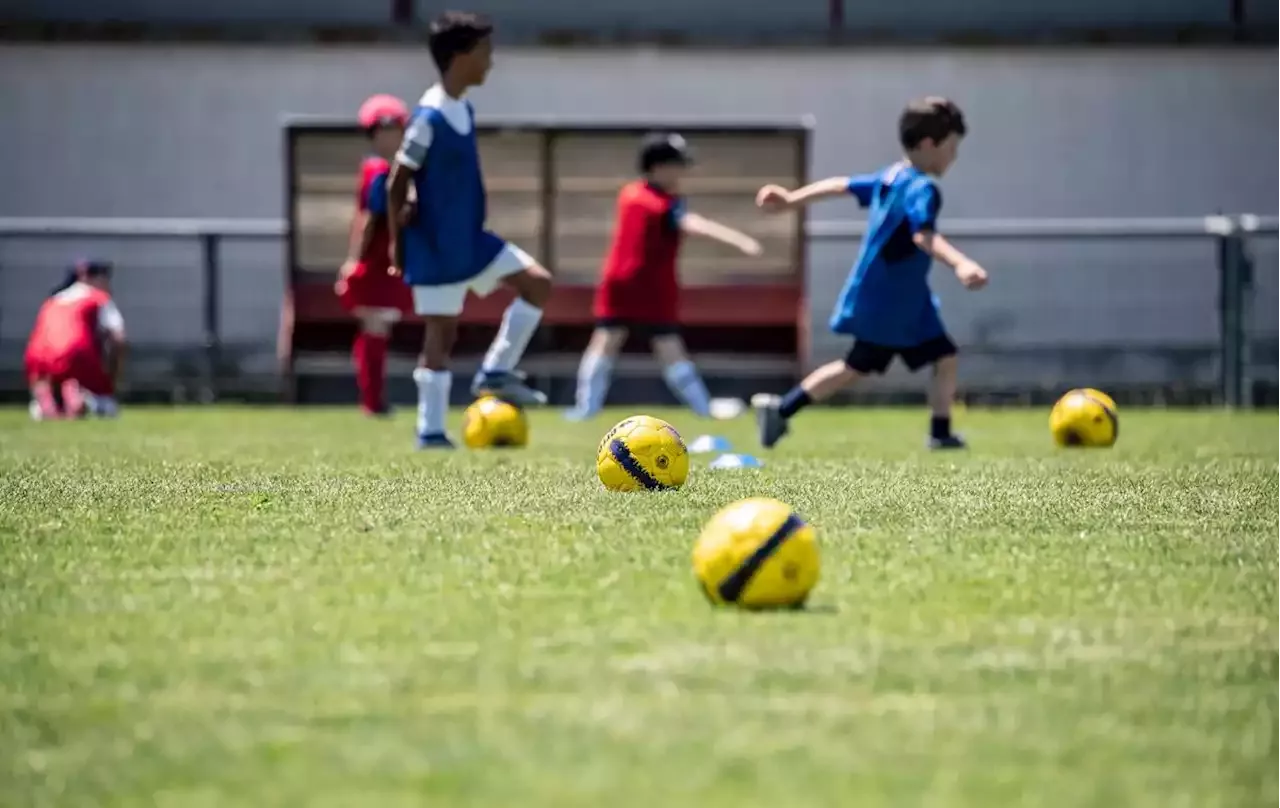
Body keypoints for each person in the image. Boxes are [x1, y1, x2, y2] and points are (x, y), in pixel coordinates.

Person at [753, 96, 988, 450]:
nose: (954, 157)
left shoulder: (892, 176)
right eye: (952, 147)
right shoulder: (923, 188)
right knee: (857, 366)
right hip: (891, 302)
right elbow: (921, 235)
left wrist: (791, 200)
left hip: (906, 299)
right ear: (928, 144)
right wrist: (961, 263)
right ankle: (781, 410)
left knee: (942, 356)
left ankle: (940, 433)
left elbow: (840, 184)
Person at [386, 10, 553, 449]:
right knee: (441, 334)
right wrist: (397, 245)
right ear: (459, 56)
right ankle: (431, 431)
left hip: (473, 239)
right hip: (438, 245)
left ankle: (496, 370)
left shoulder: (464, 107)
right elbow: (398, 180)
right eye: (484, 52)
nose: (490, 62)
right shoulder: (429, 116)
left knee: (536, 283)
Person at [566, 133, 763, 421]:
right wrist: (740, 241)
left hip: (620, 283)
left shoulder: (630, 194)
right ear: (657, 167)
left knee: (609, 341)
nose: (682, 172)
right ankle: (703, 407)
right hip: (647, 286)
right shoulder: (659, 202)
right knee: (665, 346)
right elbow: (690, 223)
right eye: (677, 165)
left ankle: (585, 408)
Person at [335, 93, 415, 416]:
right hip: (376, 262)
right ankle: (371, 400)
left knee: (376, 328)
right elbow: (371, 218)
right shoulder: (380, 171)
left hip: (384, 261)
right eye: (384, 133)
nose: (391, 139)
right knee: (374, 327)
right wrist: (354, 261)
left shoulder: (390, 170)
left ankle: (373, 398)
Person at [24, 259, 127, 420]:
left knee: (52, 385)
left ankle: (50, 399)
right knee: (107, 406)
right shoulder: (98, 298)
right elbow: (118, 338)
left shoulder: (54, 299)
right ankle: (80, 397)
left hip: (38, 355)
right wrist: (113, 376)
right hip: (75, 353)